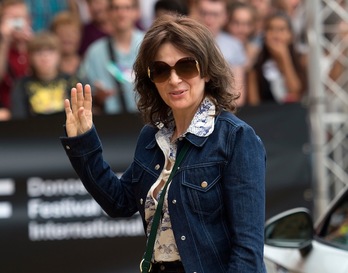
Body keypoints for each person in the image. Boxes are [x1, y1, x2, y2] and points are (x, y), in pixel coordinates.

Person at [60, 14, 266, 273]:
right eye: (160, 70)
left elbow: (247, 250)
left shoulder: (235, 138)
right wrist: (83, 142)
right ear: (150, 79)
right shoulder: (152, 137)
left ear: (208, 71)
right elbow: (119, 202)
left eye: (186, 66)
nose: (174, 79)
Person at [79, 0, 143, 114]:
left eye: (127, 8)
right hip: (110, 124)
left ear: (137, 12)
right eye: (115, 8)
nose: (121, 13)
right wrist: (96, 97)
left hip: (149, 121)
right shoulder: (95, 52)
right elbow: (84, 94)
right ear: (108, 13)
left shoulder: (150, 45)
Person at [11, 31, 79, 118]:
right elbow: (18, 118)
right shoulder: (21, 85)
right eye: (38, 52)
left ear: (59, 55)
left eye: (50, 51)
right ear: (30, 57)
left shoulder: (72, 81)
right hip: (32, 130)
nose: (45, 56)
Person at [246, 11, 306, 105]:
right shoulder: (256, 66)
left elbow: (296, 93)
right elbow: (254, 105)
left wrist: (284, 57)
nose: (275, 34)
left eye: (281, 29)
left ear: (290, 35)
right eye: (271, 29)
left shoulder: (301, 59)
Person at [196, 0, 247, 106]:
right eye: (204, 13)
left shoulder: (234, 45)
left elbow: (238, 92)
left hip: (224, 109)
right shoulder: (187, 42)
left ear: (225, 17)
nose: (209, 19)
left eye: (215, 14)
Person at [0, 0, 32, 121]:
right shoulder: (3, 47)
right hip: (7, 111)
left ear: (28, 20)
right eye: (11, 19)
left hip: (35, 109)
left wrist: (31, 45)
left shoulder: (36, 44)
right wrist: (5, 41)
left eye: (19, 19)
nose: (15, 24)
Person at [50, 11, 82, 76]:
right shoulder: (46, 65)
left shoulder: (87, 64)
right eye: (62, 32)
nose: (67, 37)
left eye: (72, 33)